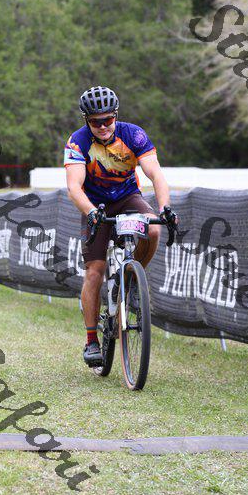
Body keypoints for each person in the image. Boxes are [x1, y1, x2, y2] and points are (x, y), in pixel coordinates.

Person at [64, 85, 178, 366]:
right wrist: (91, 212)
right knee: (95, 271)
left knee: (153, 228)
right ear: (86, 120)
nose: (103, 126)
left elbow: (156, 174)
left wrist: (165, 208)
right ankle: (92, 340)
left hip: (128, 198)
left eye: (108, 119)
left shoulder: (133, 134)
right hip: (95, 205)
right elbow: (74, 187)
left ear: (115, 115)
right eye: (96, 122)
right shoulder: (78, 141)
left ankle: (131, 282)